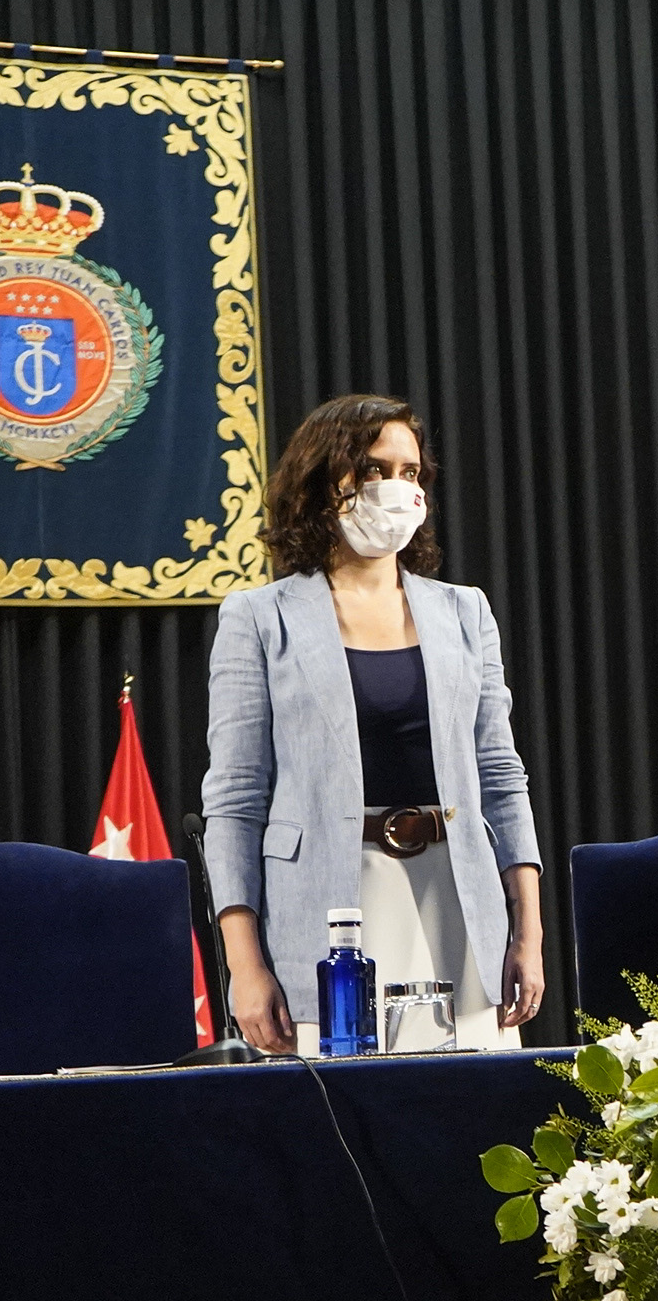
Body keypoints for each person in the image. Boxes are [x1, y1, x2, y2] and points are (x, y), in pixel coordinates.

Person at [201, 394, 546, 1053]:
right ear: (322, 480)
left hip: (458, 898)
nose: (397, 487)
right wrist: (245, 968)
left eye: (411, 472)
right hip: (326, 911)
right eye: (374, 468)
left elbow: (501, 779)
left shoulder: (465, 612)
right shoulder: (258, 617)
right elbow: (236, 801)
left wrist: (528, 934)